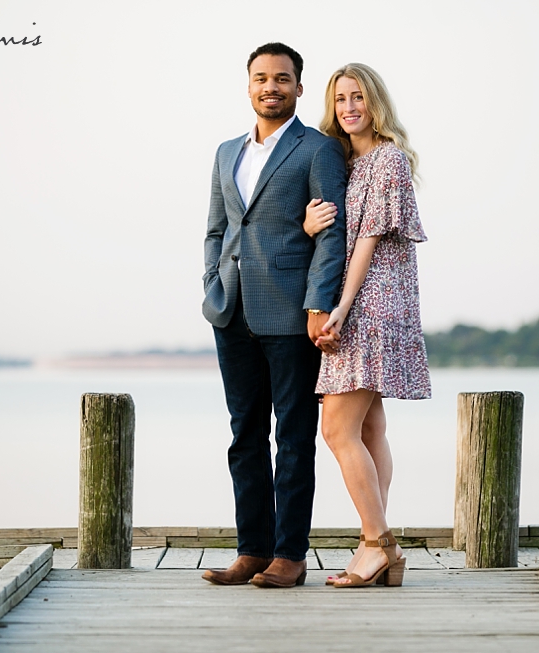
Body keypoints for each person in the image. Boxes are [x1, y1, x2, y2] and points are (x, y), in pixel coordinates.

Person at [200, 43, 348, 589]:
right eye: (261, 78)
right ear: (248, 86)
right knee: (244, 435)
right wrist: (212, 283)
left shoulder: (319, 149)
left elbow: (332, 233)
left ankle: (290, 554)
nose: (271, 87)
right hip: (230, 311)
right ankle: (252, 550)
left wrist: (317, 303)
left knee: (293, 436)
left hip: (290, 314)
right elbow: (216, 229)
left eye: (282, 78)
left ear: (298, 88)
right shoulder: (226, 153)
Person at [303, 63, 431, 588]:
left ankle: (379, 544)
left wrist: (342, 304)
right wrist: (308, 224)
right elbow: (332, 233)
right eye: (340, 99)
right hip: (356, 301)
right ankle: (374, 545)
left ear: (375, 101)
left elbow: (369, 239)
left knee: (337, 429)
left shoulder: (388, 158)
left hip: (373, 302)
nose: (349, 107)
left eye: (358, 97)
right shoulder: (343, 162)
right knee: (370, 427)